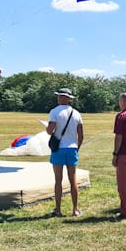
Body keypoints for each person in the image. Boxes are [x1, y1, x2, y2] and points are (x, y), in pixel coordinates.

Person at [46, 88, 84, 217]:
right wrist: (76, 148)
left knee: (58, 180)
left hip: (59, 149)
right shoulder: (76, 113)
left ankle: (58, 209)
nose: (59, 98)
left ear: (62, 98)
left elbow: (50, 131)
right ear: (69, 99)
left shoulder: (54, 112)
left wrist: (47, 127)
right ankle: (75, 209)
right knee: (73, 180)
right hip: (72, 148)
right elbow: (81, 134)